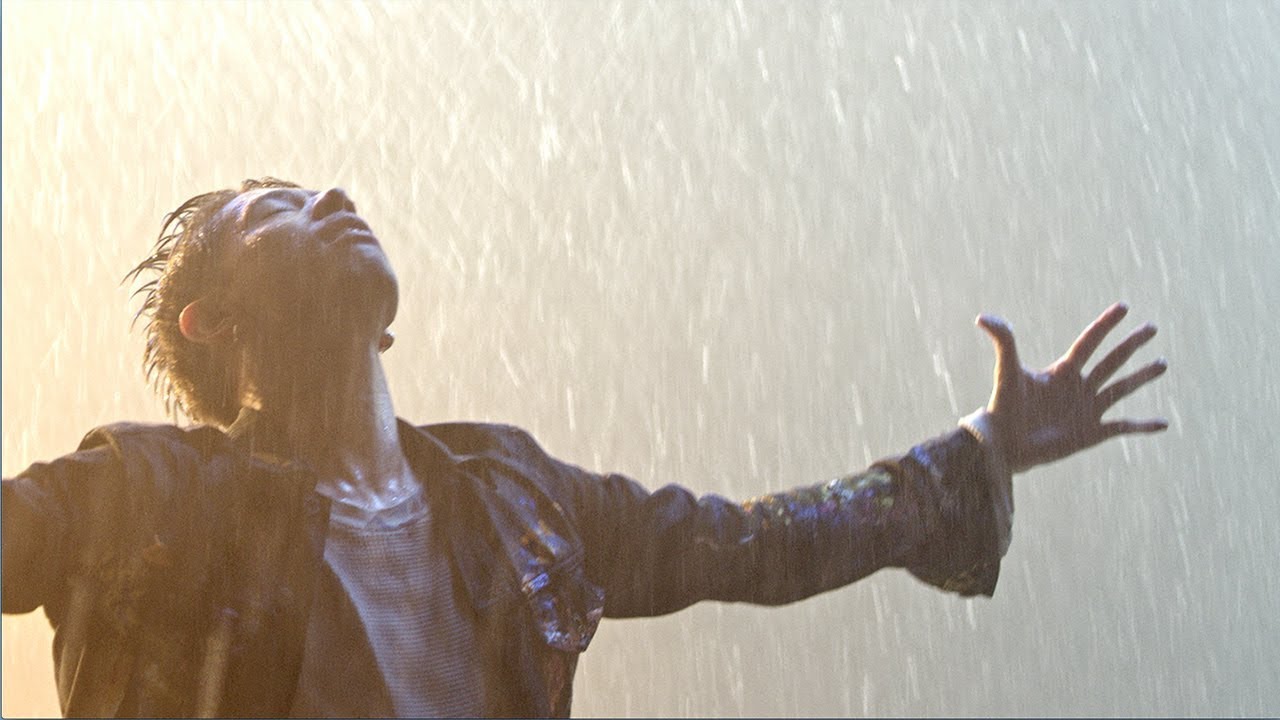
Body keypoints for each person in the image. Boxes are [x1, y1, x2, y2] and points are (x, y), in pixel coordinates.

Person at [1, 178, 1169, 718]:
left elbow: (750, 545)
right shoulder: (152, 494)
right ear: (214, 322)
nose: (335, 197)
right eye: (276, 210)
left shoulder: (513, 496)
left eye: (318, 191)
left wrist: (983, 450)